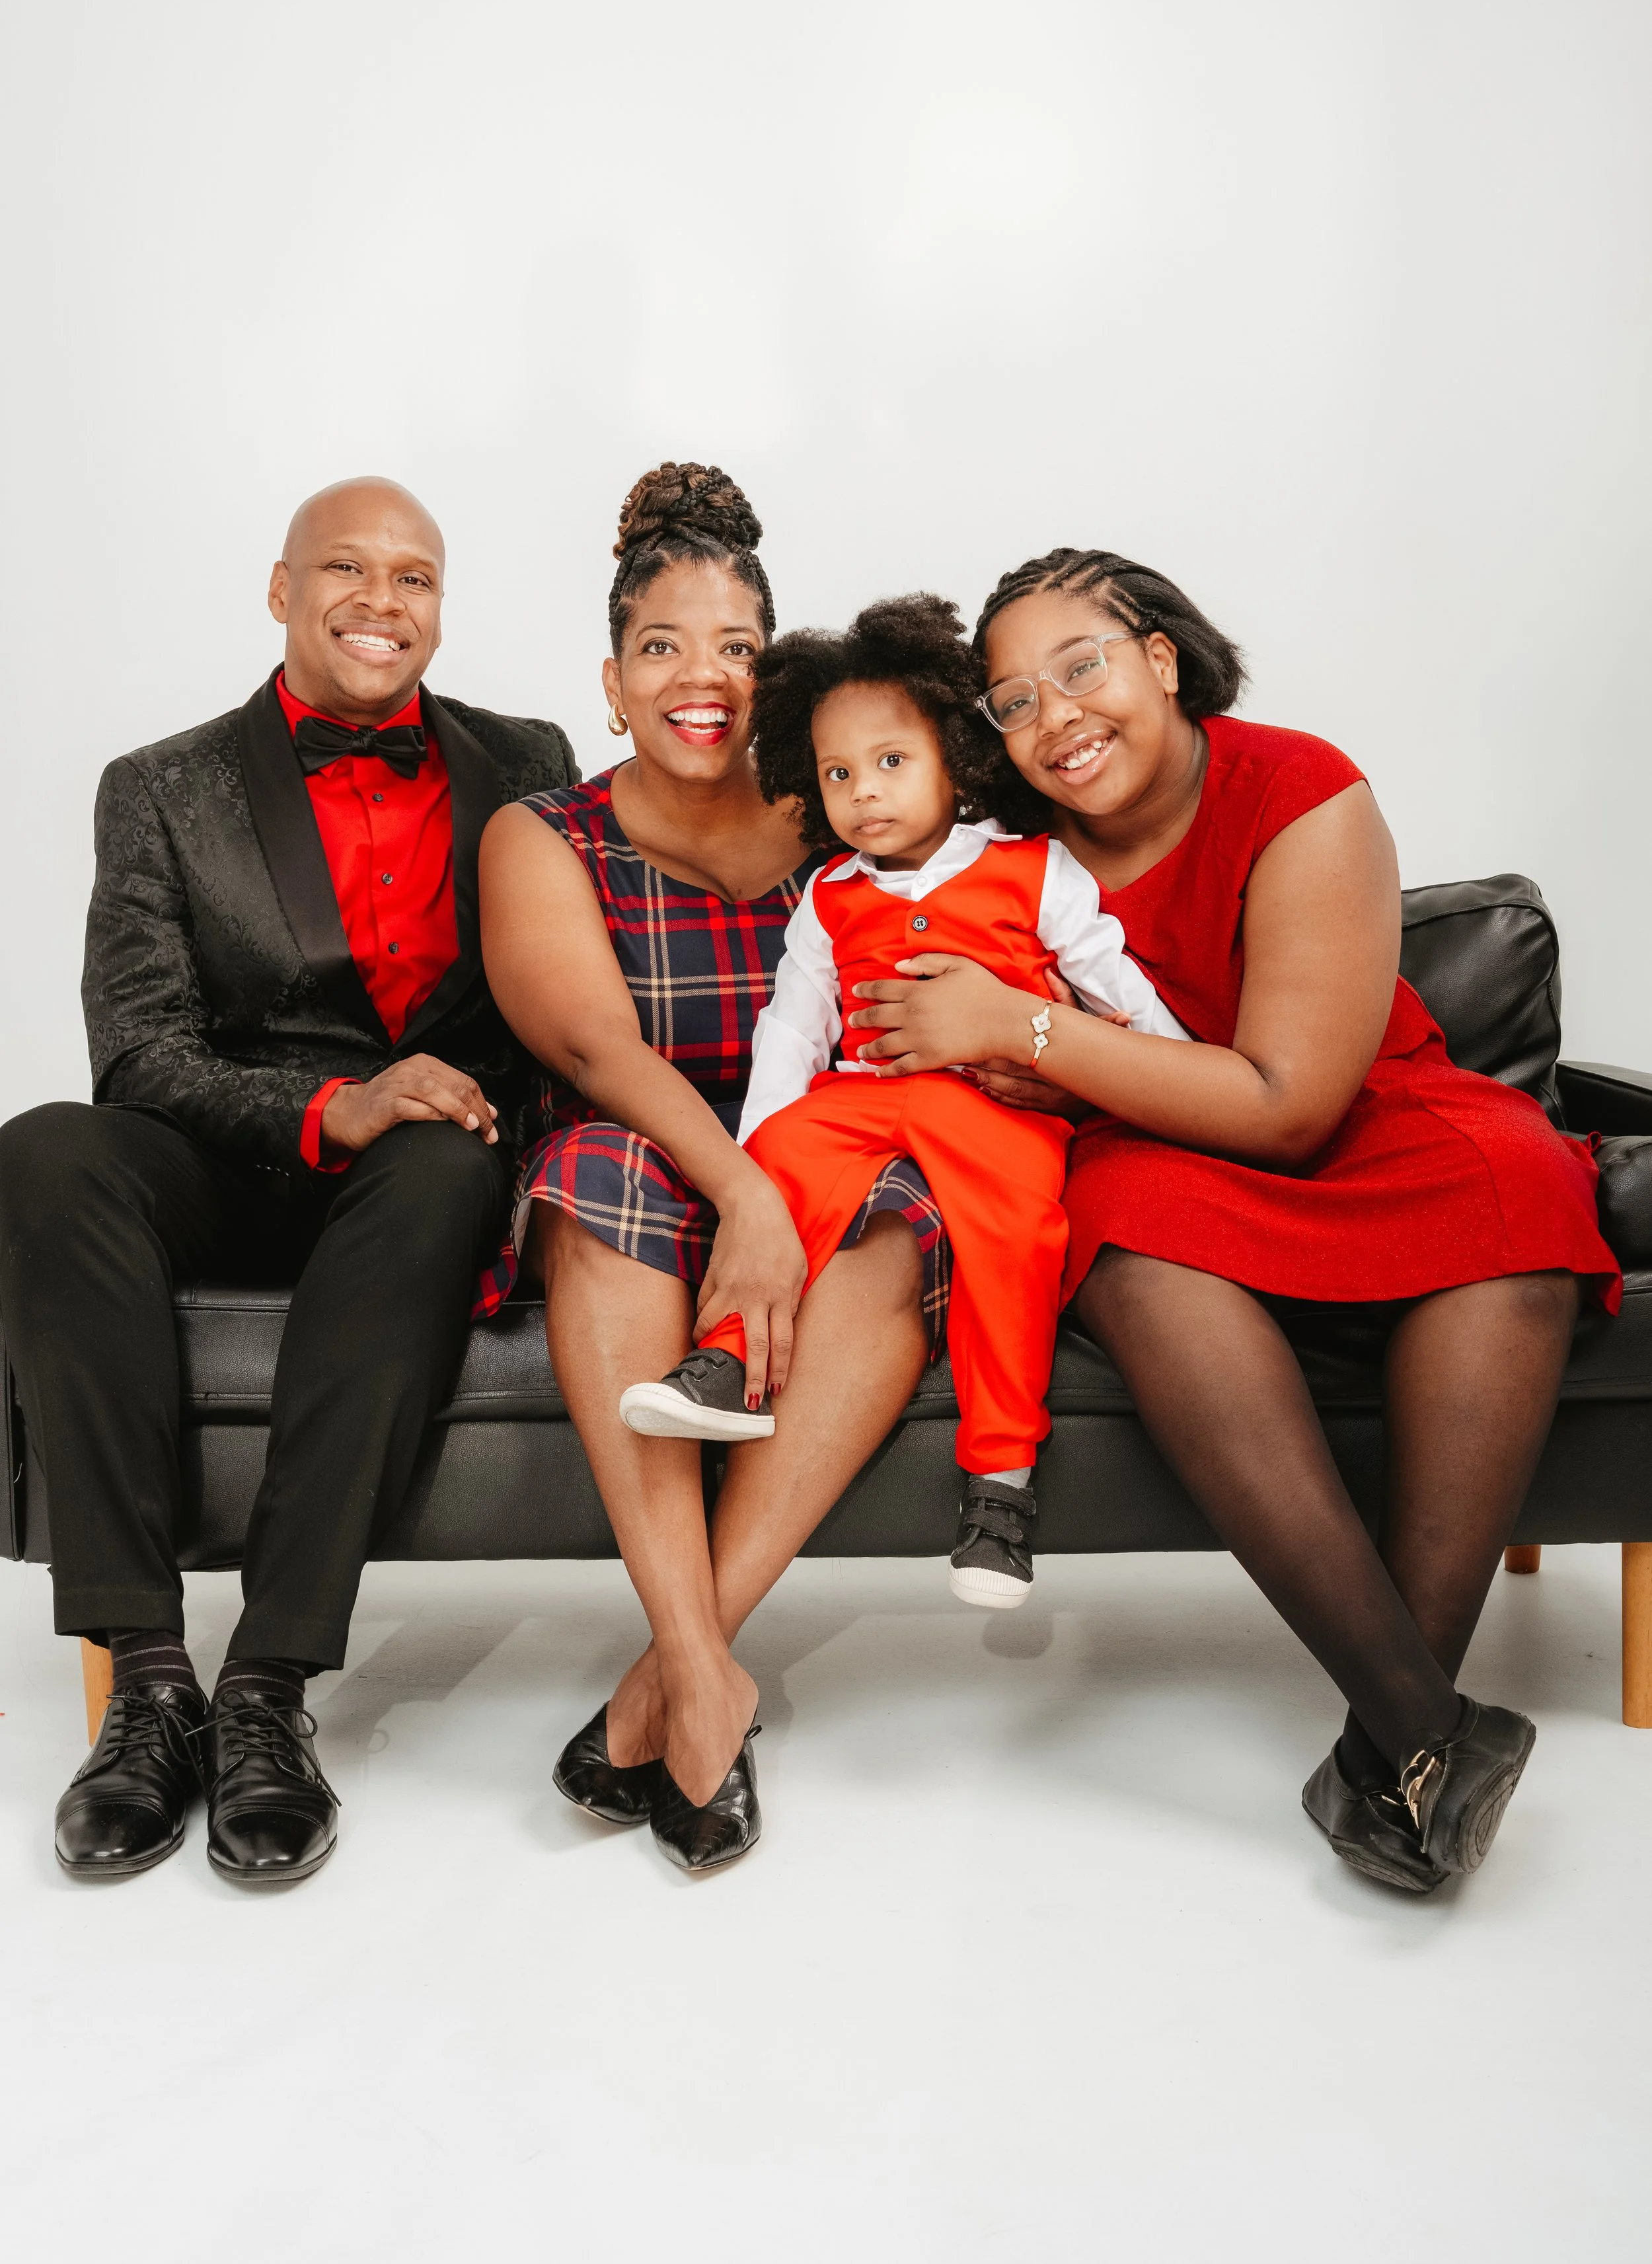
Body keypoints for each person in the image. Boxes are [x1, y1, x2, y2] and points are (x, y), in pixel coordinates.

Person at [843, 547, 1618, 1893]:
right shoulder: (999, 849)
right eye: (1012, 702)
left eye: (1078, 668)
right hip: (1149, 1150)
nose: (1053, 720)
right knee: (1124, 1228)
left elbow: (1286, 1106)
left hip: (1364, 1112)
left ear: (1159, 655)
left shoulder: (1298, 788)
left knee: (1517, 1178)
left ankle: (1389, 1742)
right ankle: (1425, 1733)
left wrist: (1026, 1028)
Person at [0, 478, 576, 1885]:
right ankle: (145, 1678)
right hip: (240, 1150)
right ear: (279, 590)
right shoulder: (161, 785)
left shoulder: (531, 757)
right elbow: (137, 1052)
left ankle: (264, 1687)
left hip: (433, 1171)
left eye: (414, 578)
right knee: (44, 1144)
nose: (382, 603)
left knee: (443, 1162)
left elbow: (560, 998)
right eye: (346, 570)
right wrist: (330, 1104)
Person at [480, 466, 1000, 1871]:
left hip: (826, 1147)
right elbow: (594, 1047)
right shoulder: (541, 834)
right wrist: (748, 1196)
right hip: (645, 1142)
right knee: (599, 1170)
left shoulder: (840, 812)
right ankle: (712, 1680)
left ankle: (669, 1680)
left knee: (901, 1217)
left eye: (735, 650)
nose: (699, 678)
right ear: (610, 679)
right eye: (662, 647)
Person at [619, 595, 1187, 1611]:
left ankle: (1000, 1487)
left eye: (890, 763)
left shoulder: (1030, 869)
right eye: (838, 774)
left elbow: (1113, 983)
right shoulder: (829, 894)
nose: (863, 795)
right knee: (790, 1152)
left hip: (996, 1114)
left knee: (1018, 1235)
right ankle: (726, 1363)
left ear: (954, 761)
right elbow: (792, 1032)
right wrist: (758, 1160)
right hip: (864, 1102)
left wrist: (1180, 1068)